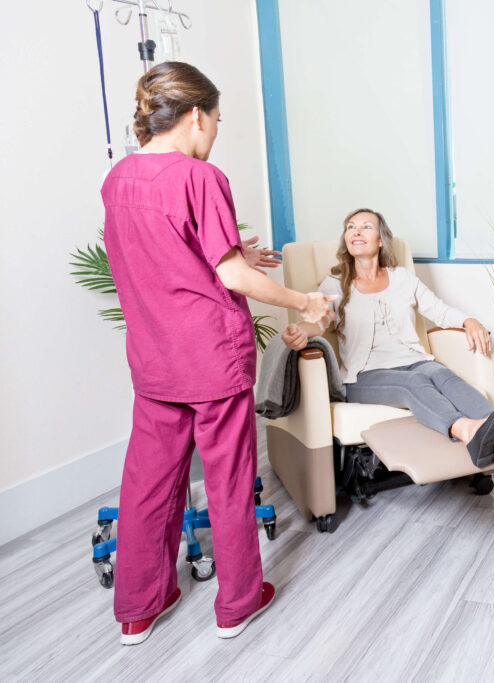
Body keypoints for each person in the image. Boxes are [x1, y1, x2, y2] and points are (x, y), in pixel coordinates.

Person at [101, 61, 334, 645]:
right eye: (218, 120)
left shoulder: (118, 179)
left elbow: (157, 258)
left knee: (148, 482)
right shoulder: (200, 178)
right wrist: (303, 299)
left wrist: (232, 257)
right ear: (197, 114)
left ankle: (137, 607)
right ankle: (237, 603)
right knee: (228, 479)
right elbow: (232, 279)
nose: (215, 133)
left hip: (154, 358)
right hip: (210, 356)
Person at [281, 208, 494, 467]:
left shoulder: (402, 278)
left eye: (366, 226)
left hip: (414, 360)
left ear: (380, 239)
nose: (356, 231)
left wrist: (469, 321)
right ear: (346, 239)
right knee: (414, 382)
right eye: (350, 227)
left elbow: (439, 309)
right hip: (364, 375)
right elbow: (319, 320)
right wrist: (302, 330)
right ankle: (467, 432)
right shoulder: (335, 283)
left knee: (441, 374)